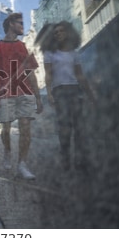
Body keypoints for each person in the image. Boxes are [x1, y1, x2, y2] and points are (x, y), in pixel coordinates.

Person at [0, 12, 43, 180]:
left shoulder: (23, 46)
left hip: (25, 93)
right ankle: (7, 150)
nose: (22, 26)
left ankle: (22, 164)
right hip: (5, 94)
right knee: (5, 129)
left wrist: (38, 97)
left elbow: (31, 72)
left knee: (26, 128)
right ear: (11, 23)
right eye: (19, 22)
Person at [36, 21, 95, 171]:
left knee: (79, 128)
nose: (59, 34)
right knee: (65, 127)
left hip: (75, 90)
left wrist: (90, 93)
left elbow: (80, 75)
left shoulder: (74, 54)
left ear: (67, 33)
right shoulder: (49, 54)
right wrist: (49, 93)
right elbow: (48, 74)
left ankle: (81, 160)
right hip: (60, 91)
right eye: (56, 33)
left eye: (61, 31)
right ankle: (65, 159)